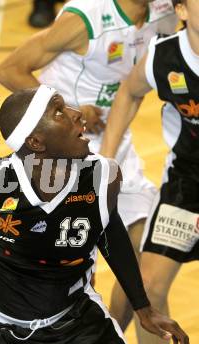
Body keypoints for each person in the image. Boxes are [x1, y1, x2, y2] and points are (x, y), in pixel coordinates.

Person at [0, 86, 189, 344]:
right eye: (59, 112)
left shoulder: (103, 176)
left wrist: (143, 307)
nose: (76, 113)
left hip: (76, 319)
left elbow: (109, 230)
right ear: (36, 142)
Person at [0, 0, 178, 331]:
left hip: (115, 149)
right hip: (64, 160)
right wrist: (69, 110)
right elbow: (8, 70)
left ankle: (113, 335)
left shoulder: (166, 13)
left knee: (146, 273)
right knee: (73, 281)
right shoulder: (87, 17)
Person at [100, 1, 199, 342]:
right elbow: (128, 93)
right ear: (182, 11)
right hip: (189, 182)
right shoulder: (164, 56)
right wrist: (106, 163)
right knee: (148, 287)